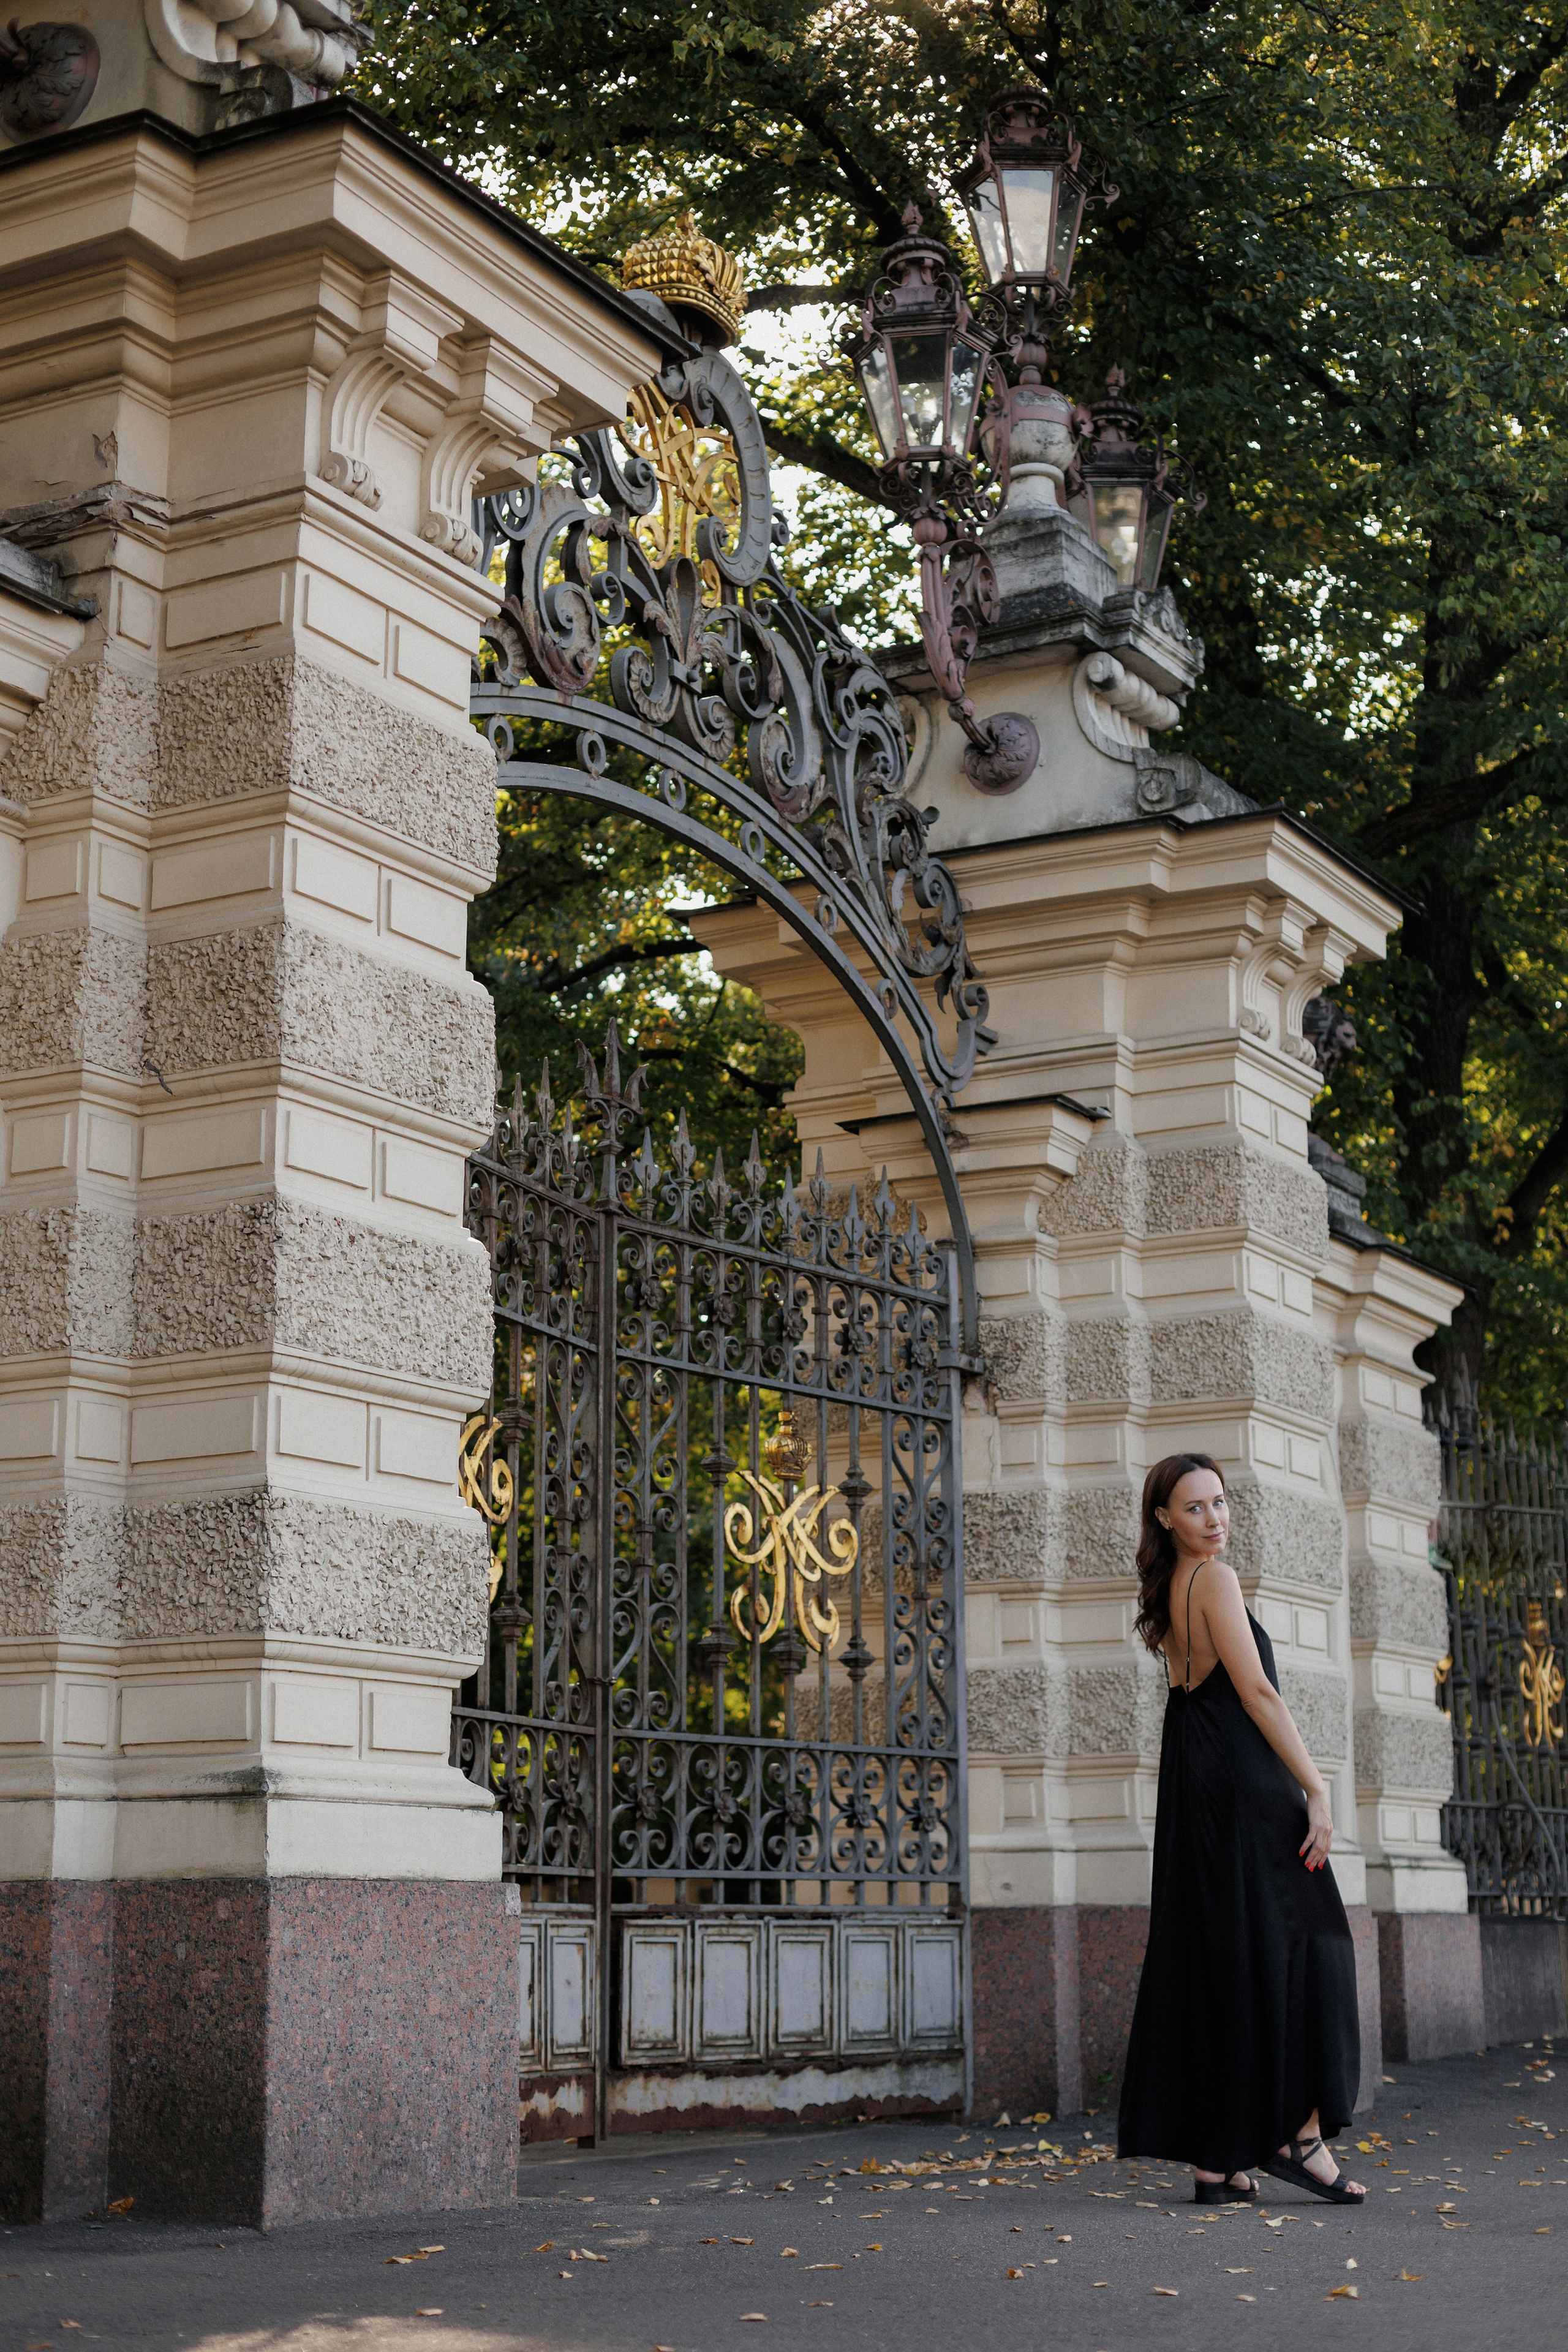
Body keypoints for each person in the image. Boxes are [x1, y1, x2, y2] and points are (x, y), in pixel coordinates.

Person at [1116, 1452, 1366, 2205]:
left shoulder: (1169, 1584)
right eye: (1194, 1507)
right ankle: (1300, 2135)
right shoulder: (1213, 1579)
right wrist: (1316, 1788)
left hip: (1197, 1778)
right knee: (1316, 1940)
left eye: (1219, 1502)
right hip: (1242, 1781)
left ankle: (1216, 2159)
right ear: (1164, 1517)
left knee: (1224, 1953)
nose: (1214, 1519)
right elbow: (1255, 1691)